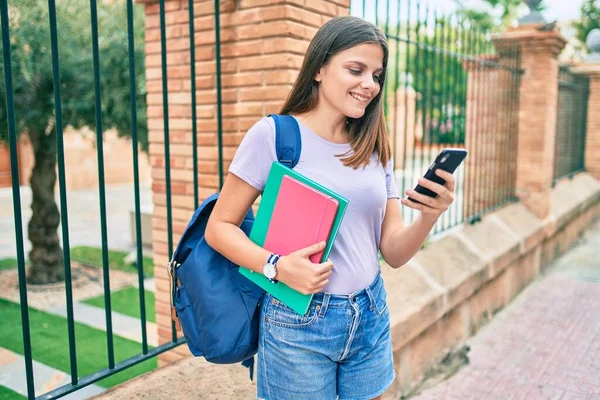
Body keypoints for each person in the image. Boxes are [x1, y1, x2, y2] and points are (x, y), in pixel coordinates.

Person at [205, 15, 456, 400]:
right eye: (355, 69)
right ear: (320, 68)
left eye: (377, 75)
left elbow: (393, 252)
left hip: (370, 313)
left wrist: (429, 215)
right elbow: (218, 227)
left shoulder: (374, 147)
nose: (369, 84)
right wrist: (275, 266)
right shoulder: (274, 136)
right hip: (297, 321)